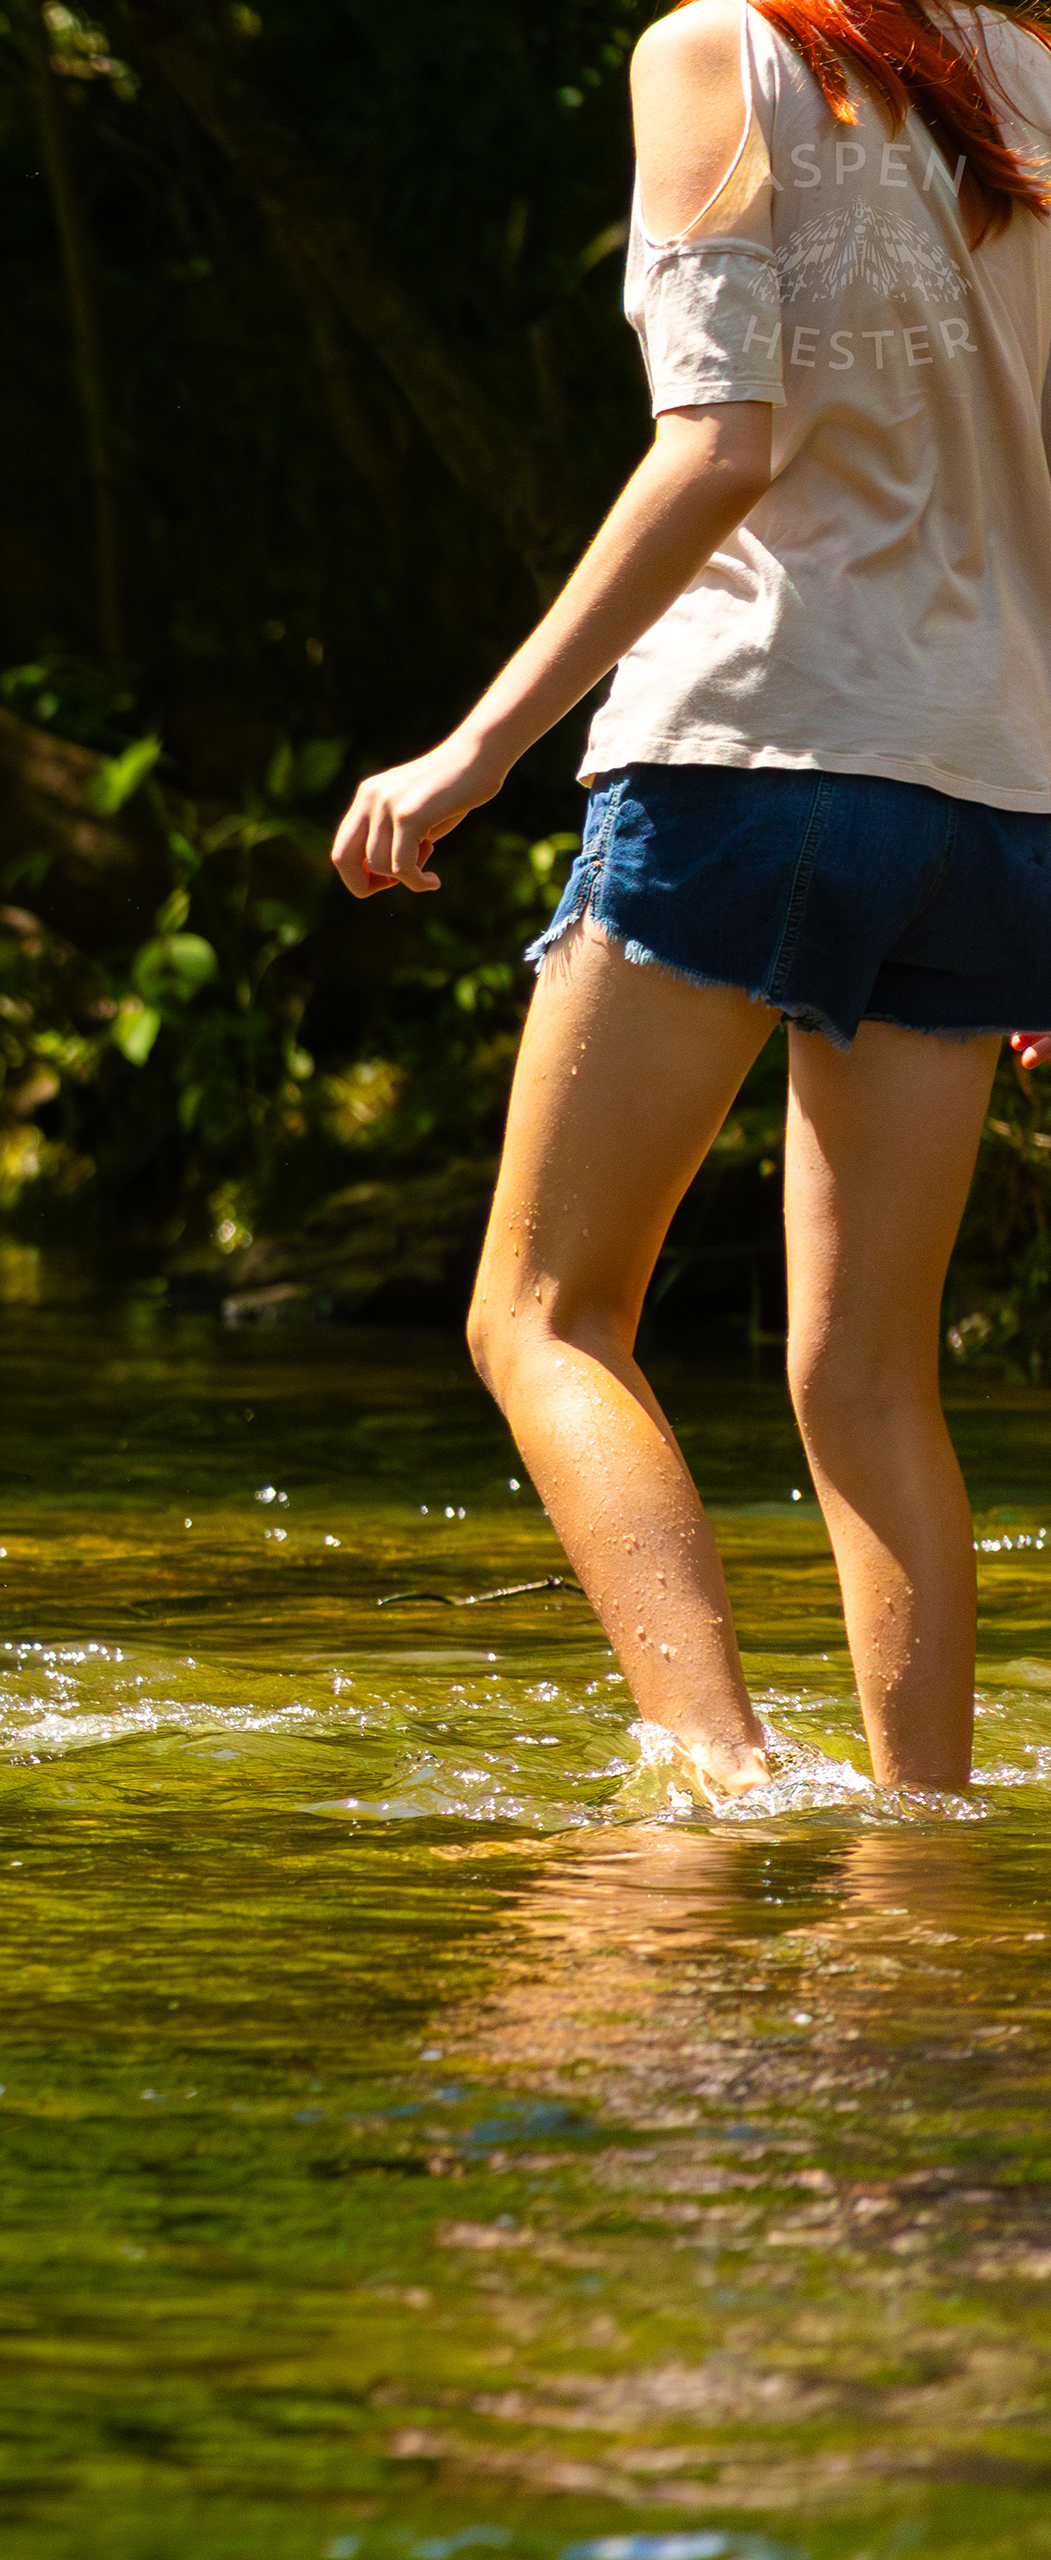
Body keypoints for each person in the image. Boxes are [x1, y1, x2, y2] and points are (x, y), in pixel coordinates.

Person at [330, 0, 1051, 1803]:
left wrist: (476, 750)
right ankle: (920, 1849)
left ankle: (715, 1786)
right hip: (995, 799)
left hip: (755, 754)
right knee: (871, 1374)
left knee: (545, 1314)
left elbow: (721, 443)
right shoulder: (1033, 74)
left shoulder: (716, 51)